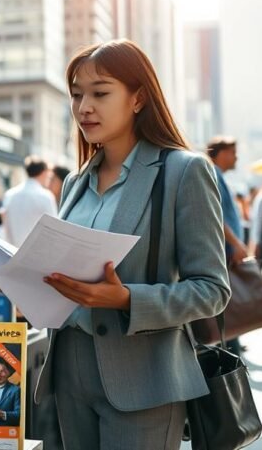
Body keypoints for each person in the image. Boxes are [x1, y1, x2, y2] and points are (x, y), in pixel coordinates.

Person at [32, 40, 230, 450]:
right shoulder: (75, 181)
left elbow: (212, 290)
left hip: (144, 379)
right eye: (77, 94)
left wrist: (126, 299)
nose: (84, 106)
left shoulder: (184, 172)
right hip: (70, 373)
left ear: (139, 97)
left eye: (100, 93)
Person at [207, 136, 247, 355]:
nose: (236, 157)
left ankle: (233, 348)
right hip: (222, 252)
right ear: (221, 153)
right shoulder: (212, 173)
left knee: (228, 306)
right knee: (225, 305)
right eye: (233, 152)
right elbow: (215, 215)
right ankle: (231, 353)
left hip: (225, 252)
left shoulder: (217, 174)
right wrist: (236, 244)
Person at [2, 155, 58, 246]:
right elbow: (54, 229)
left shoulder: (9, 194)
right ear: (44, 172)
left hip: (12, 252)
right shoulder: (46, 196)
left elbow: (5, 228)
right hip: (37, 253)